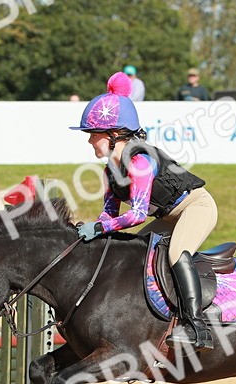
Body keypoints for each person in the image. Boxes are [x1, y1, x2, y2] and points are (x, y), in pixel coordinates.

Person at [70, 72, 217, 350]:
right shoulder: (109, 171)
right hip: (167, 216)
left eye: (93, 135)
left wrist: (101, 229)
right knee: (138, 253)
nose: (89, 141)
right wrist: (93, 230)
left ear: (114, 135)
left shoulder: (139, 162)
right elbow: (109, 214)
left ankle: (196, 326)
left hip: (196, 207)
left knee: (176, 253)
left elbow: (136, 215)